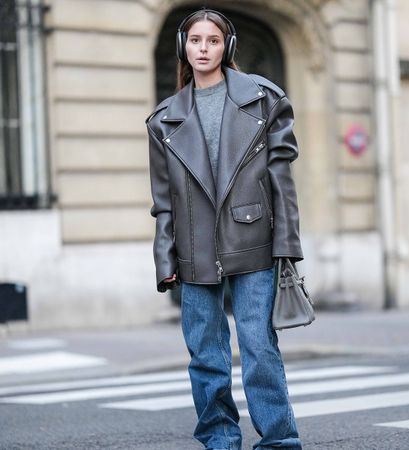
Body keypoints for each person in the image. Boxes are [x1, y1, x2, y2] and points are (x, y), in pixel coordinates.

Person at [146, 8, 304, 450]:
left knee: (258, 348)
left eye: (212, 41)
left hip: (254, 241)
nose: (203, 48)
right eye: (195, 40)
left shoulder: (263, 99)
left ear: (227, 47)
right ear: (184, 47)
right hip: (193, 249)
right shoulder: (163, 120)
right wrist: (164, 259)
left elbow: (281, 182)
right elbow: (163, 201)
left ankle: (278, 441)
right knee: (206, 357)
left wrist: (287, 246)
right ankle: (219, 439)